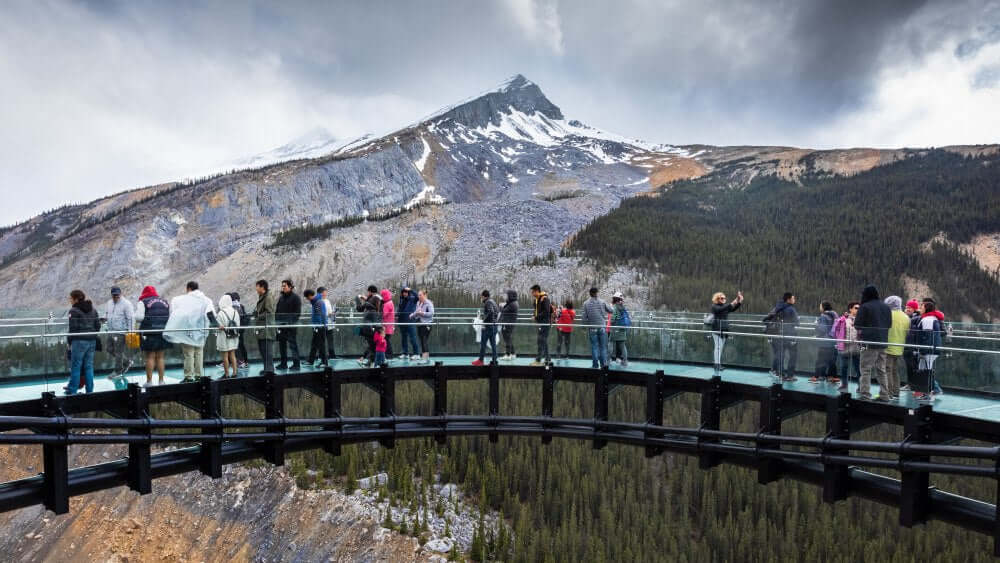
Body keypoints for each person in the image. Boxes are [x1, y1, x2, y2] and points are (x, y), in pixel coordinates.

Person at [163, 281, 217, 382]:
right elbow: (211, 314)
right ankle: (199, 375)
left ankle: (189, 376)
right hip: (202, 332)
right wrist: (217, 325)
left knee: (188, 354)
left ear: (188, 289)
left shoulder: (182, 299)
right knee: (199, 353)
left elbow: (176, 314)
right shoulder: (207, 300)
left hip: (187, 333)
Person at [854, 285, 892, 401]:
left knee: (865, 368)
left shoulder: (864, 307)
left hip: (868, 343)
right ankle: (884, 394)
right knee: (881, 369)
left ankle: (865, 394)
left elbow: (857, 325)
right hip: (883, 343)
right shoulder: (886, 307)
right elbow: (889, 324)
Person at [134, 286, 171, 386]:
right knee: (160, 357)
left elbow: (139, 318)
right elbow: (169, 316)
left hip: (149, 332)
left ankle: (149, 382)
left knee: (150, 357)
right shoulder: (165, 302)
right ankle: (161, 381)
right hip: (163, 331)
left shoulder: (143, 302)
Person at [65, 289, 100, 395]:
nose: (70, 301)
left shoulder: (73, 311)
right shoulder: (93, 309)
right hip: (92, 340)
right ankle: (89, 391)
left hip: (78, 341)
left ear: (75, 299)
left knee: (76, 366)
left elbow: (73, 329)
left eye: (70, 298)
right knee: (88, 366)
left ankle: (72, 390)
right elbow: (98, 326)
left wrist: (69, 342)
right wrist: (92, 335)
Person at [913, 298, 945, 402]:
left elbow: (927, 337)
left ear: (926, 308)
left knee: (927, 371)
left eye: (921, 306)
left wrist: (922, 350)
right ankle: (927, 392)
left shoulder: (927, 320)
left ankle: (930, 392)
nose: (919, 308)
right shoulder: (931, 318)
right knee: (926, 371)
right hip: (932, 349)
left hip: (928, 350)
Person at [102, 286, 135, 379]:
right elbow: (107, 313)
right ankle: (126, 362)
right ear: (111, 295)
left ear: (120, 294)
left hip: (121, 332)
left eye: (117, 295)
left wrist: (130, 332)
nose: (116, 297)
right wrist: (104, 318)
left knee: (118, 352)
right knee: (109, 349)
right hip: (111, 330)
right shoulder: (109, 303)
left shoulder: (127, 304)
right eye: (114, 295)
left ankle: (118, 371)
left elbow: (131, 318)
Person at [766, 292, 799, 381]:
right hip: (790, 336)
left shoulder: (778, 307)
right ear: (788, 299)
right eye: (793, 298)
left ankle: (780, 373)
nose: (794, 299)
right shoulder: (791, 309)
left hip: (779, 335)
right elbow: (797, 322)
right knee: (793, 356)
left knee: (781, 355)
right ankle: (790, 375)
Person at [709, 290, 743, 372]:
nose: (723, 299)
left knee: (720, 348)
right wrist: (736, 300)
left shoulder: (723, 307)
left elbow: (732, 308)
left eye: (724, 298)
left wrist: (739, 302)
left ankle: (718, 364)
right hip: (717, 330)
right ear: (717, 299)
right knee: (718, 348)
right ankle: (717, 365)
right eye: (721, 298)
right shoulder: (714, 306)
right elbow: (724, 308)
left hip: (724, 330)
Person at [882, 295, 908, 400]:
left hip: (888, 347)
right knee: (894, 370)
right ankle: (896, 392)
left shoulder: (887, 314)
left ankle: (889, 393)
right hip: (899, 347)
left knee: (887, 370)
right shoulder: (905, 316)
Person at [581, 287, 613, 368]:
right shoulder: (602, 302)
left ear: (590, 293)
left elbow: (584, 317)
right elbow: (611, 310)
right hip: (602, 327)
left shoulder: (585, 303)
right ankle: (603, 365)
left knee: (594, 346)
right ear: (597, 293)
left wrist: (584, 327)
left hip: (592, 328)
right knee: (603, 347)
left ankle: (595, 365)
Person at [833, 302, 861, 389]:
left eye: (859, 308)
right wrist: (839, 340)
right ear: (850, 309)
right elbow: (835, 329)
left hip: (856, 346)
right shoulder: (843, 319)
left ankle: (860, 386)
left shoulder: (860, 320)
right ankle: (844, 384)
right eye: (856, 308)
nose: (858, 310)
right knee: (844, 367)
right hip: (844, 346)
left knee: (858, 368)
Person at [809, 302, 839, 384]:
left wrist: (816, 324)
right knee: (831, 361)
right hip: (833, 341)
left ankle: (818, 376)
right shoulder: (834, 315)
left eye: (820, 306)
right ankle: (832, 377)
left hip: (824, 342)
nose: (820, 308)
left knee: (820, 360)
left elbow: (823, 329)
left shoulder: (823, 316)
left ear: (823, 307)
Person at [275, 279, 302, 371]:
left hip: (290, 327)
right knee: (282, 346)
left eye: (284, 286)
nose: (283, 288)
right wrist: (277, 322)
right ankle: (283, 364)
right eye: (282, 286)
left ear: (290, 287)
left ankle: (296, 364)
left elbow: (297, 313)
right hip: (281, 326)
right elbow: (277, 312)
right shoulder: (281, 298)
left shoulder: (295, 298)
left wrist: (289, 323)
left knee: (293, 346)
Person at [355, 285, 383, 367]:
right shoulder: (374, 309)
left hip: (367, 329)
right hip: (372, 329)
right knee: (373, 346)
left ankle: (369, 361)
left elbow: (359, 308)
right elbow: (375, 321)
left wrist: (357, 299)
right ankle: (370, 362)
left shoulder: (368, 306)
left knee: (372, 346)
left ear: (370, 292)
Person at [215, 294, 240, 378]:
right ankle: (235, 372)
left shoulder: (221, 313)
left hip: (224, 337)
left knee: (225, 356)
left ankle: (226, 374)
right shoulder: (235, 311)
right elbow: (238, 325)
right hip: (233, 336)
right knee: (233, 355)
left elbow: (218, 327)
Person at [254, 280, 277, 373]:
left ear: (262, 287)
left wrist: (258, 315)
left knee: (268, 351)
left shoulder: (268, 297)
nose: (256, 289)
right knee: (263, 351)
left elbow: (269, 312)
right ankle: (266, 369)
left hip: (267, 328)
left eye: (257, 286)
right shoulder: (263, 296)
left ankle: (270, 370)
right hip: (262, 328)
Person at [472, 290, 500, 366]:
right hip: (494, 326)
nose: (481, 298)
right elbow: (497, 312)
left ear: (484, 296)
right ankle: (494, 359)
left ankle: (480, 360)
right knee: (493, 343)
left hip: (488, 327)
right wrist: (494, 321)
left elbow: (490, 312)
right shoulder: (493, 301)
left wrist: (484, 321)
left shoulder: (488, 302)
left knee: (483, 343)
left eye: (481, 296)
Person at [304, 289, 329, 368]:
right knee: (314, 344)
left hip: (320, 327)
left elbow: (319, 315)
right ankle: (311, 360)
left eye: (306, 297)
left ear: (309, 296)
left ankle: (324, 362)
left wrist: (318, 326)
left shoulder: (317, 302)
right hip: (317, 326)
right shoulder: (316, 301)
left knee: (321, 344)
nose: (307, 299)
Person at [901, 299, 922, 392]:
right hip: (906, 346)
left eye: (909, 307)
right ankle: (911, 384)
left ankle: (913, 385)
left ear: (914, 309)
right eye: (906, 307)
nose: (907, 309)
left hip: (912, 347)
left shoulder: (917, 318)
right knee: (909, 366)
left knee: (913, 367)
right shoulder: (906, 317)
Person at [529, 284, 552, 366]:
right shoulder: (537, 300)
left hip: (545, 323)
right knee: (541, 341)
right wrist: (534, 316)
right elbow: (537, 310)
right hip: (541, 323)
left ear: (537, 291)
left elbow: (546, 311)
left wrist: (536, 317)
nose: (532, 294)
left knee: (542, 340)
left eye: (533, 292)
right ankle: (545, 359)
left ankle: (543, 360)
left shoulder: (544, 299)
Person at [409, 289, 434, 364]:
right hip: (419, 324)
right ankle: (425, 357)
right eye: (418, 295)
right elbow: (417, 312)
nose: (419, 296)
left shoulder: (428, 303)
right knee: (422, 340)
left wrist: (422, 313)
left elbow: (431, 313)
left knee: (424, 340)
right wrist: (412, 315)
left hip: (427, 324)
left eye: (420, 295)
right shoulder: (418, 303)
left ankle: (425, 358)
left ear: (425, 295)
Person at [228, 292, 250, 369]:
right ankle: (243, 361)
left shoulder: (237, 307)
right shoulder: (241, 306)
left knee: (239, 345)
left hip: (238, 329)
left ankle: (242, 361)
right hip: (240, 329)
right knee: (240, 345)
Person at [397, 286, 420, 360]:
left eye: (406, 292)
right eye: (403, 292)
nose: (404, 293)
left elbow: (417, 296)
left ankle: (417, 354)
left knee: (412, 338)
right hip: (402, 321)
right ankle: (405, 353)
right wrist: (397, 315)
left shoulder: (413, 299)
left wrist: (411, 289)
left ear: (408, 292)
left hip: (410, 321)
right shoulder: (401, 300)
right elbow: (399, 309)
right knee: (403, 338)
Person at [610, 291, 630, 367]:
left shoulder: (615, 307)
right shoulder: (622, 307)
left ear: (615, 299)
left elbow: (613, 319)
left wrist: (612, 323)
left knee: (610, 342)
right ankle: (625, 361)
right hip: (623, 328)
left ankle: (608, 360)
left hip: (616, 328)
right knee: (622, 345)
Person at [499, 290, 519, 361]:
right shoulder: (513, 303)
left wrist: (501, 306)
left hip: (508, 323)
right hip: (509, 323)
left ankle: (508, 354)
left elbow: (503, 310)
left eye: (508, 295)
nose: (506, 297)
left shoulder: (512, 304)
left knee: (507, 338)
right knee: (508, 338)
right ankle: (512, 353)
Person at [319, 287, 337, 360]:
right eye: (325, 292)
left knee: (330, 339)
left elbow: (329, 311)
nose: (326, 293)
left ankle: (332, 355)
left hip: (329, 323)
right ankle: (322, 356)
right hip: (322, 323)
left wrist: (333, 313)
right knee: (322, 340)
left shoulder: (327, 301)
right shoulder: (318, 301)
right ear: (321, 293)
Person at [380, 289, 395, 359]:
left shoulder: (387, 304)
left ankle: (389, 355)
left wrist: (381, 306)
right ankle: (389, 355)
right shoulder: (390, 302)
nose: (382, 297)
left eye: (382, 295)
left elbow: (383, 314)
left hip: (386, 326)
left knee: (386, 341)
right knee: (387, 340)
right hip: (389, 325)